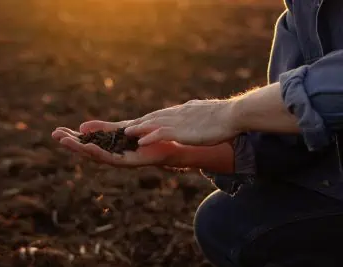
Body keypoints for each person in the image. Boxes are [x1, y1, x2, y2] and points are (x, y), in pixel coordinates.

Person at [52, 0, 343, 266]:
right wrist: (178, 150)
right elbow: (297, 130)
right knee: (228, 222)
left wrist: (231, 113)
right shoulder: (303, 9)